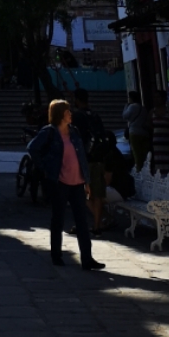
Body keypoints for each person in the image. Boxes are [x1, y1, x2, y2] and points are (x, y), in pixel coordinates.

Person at [27, 100, 106, 271]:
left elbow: (81, 157)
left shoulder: (74, 132)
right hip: (60, 183)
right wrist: (46, 167)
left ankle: (87, 259)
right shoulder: (49, 132)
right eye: (68, 112)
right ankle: (56, 255)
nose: (71, 115)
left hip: (77, 183)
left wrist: (87, 181)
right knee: (58, 219)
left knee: (82, 222)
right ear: (61, 114)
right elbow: (33, 148)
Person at [71, 88, 109, 233]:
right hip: (98, 158)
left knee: (80, 193)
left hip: (84, 159)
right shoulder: (95, 115)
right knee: (97, 194)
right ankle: (98, 225)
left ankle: (84, 223)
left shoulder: (77, 116)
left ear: (77, 100)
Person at [122, 94, 153, 170]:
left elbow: (124, 116)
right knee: (144, 154)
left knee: (137, 154)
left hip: (135, 133)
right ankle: (147, 170)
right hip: (144, 133)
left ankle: (139, 170)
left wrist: (126, 106)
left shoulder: (132, 107)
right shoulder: (143, 109)